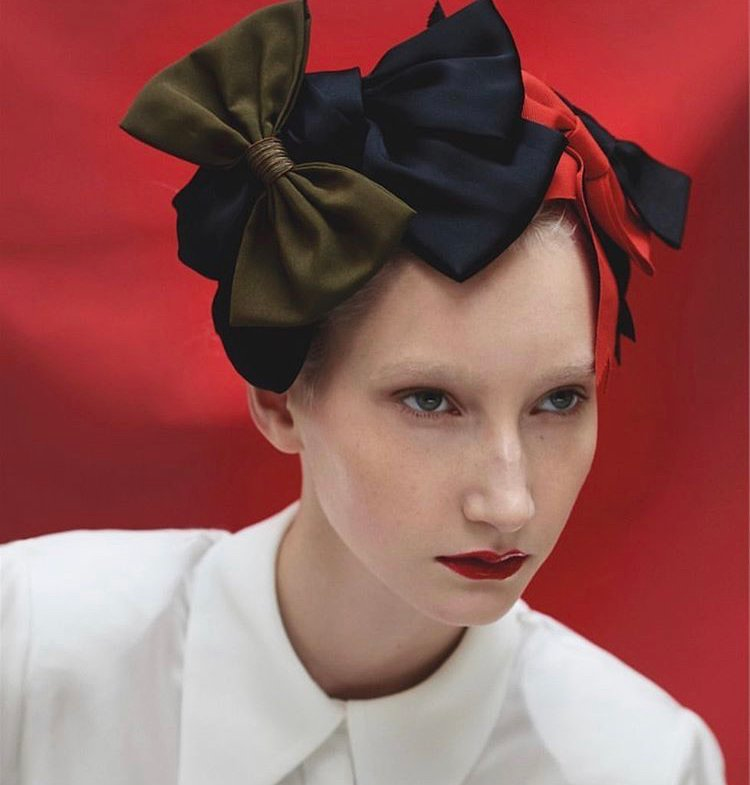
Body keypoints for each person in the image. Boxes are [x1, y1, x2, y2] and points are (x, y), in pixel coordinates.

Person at [0, 0, 728, 783]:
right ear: (278, 398)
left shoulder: (645, 761)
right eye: (430, 401)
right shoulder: (29, 646)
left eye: (558, 400)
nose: (510, 502)